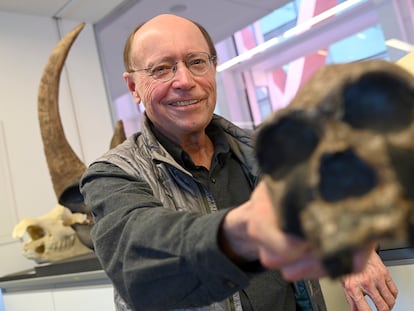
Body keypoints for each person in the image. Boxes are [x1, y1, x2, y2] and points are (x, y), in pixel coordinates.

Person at [80, 14, 398, 311]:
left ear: (213, 68)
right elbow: (134, 255)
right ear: (134, 87)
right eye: (162, 68)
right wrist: (244, 229)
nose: (184, 80)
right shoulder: (111, 174)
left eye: (196, 62)